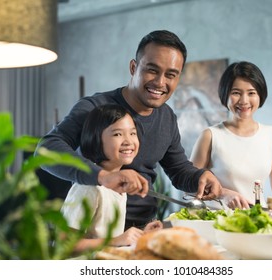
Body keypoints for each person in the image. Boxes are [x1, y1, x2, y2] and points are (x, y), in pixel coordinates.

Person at [36, 30, 222, 229]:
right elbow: (46, 150)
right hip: (96, 231)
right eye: (152, 70)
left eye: (170, 75)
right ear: (134, 67)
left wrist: (200, 177)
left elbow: (178, 170)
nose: (160, 82)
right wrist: (104, 177)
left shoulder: (166, 116)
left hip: (145, 228)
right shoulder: (94, 108)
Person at [190, 61, 272, 212]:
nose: (244, 101)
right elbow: (190, 185)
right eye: (236, 93)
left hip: (259, 218)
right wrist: (222, 194)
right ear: (225, 94)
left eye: (251, 93)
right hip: (218, 221)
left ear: (260, 95)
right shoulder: (210, 136)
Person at [61, 104, 163, 252]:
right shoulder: (88, 187)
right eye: (117, 134)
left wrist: (141, 235)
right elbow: (63, 245)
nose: (128, 141)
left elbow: (104, 238)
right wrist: (117, 240)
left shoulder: (120, 184)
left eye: (132, 133)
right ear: (96, 139)